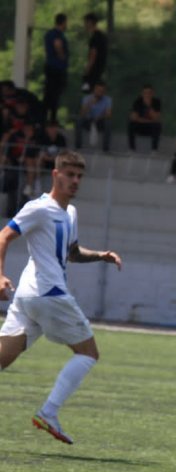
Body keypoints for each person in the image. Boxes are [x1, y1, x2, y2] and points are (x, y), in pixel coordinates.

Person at [0, 150, 123, 444]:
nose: (75, 181)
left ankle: (49, 413)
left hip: (31, 298)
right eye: (69, 175)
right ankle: (49, 412)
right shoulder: (38, 208)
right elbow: (4, 236)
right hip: (48, 295)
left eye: (79, 176)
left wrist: (101, 256)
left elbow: (73, 253)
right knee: (89, 353)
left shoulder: (70, 213)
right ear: (56, 175)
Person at [43, 13, 69, 122]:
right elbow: (57, 45)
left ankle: (45, 116)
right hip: (56, 68)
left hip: (51, 67)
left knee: (49, 93)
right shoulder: (57, 34)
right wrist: (62, 56)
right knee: (54, 94)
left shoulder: (49, 34)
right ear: (63, 22)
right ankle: (52, 118)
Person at [74, 81, 111, 152]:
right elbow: (82, 114)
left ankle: (106, 148)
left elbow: (108, 114)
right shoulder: (87, 98)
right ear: (95, 90)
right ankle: (78, 146)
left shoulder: (107, 99)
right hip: (88, 120)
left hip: (100, 120)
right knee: (79, 120)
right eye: (98, 90)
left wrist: (100, 117)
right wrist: (90, 104)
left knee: (108, 123)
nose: (100, 92)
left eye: (102, 91)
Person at [127, 84, 162, 152]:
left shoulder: (157, 102)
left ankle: (154, 150)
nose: (147, 95)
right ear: (142, 94)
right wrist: (149, 121)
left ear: (153, 94)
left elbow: (157, 118)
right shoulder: (137, 101)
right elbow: (133, 118)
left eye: (149, 93)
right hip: (140, 126)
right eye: (145, 93)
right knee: (131, 124)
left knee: (158, 125)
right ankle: (131, 149)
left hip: (150, 128)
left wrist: (148, 106)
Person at [82, 13, 108, 93]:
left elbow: (93, 55)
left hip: (94, 72)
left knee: (88, 92)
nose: (85, 25)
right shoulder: (102, 36)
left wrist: (87, 69)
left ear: (90, 23)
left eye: (85, 23)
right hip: (100, 69)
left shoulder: (95, 38)